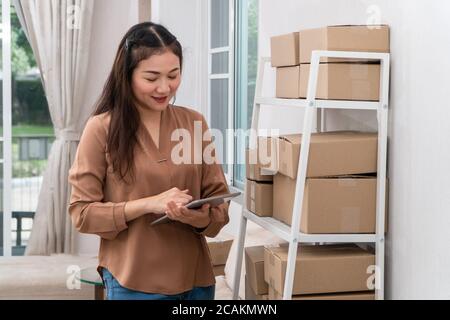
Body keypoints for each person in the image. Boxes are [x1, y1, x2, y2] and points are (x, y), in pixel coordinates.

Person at [68, 22, 230, 300]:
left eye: (173, 75)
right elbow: (82, 214)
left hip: (196, 282)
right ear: (127, 75)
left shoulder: (194, 123)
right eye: (152, 77)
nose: (164, 87)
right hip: (133, 281)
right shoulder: (101, 128)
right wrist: (147, 204)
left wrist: (194, 216)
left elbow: (219, 205)